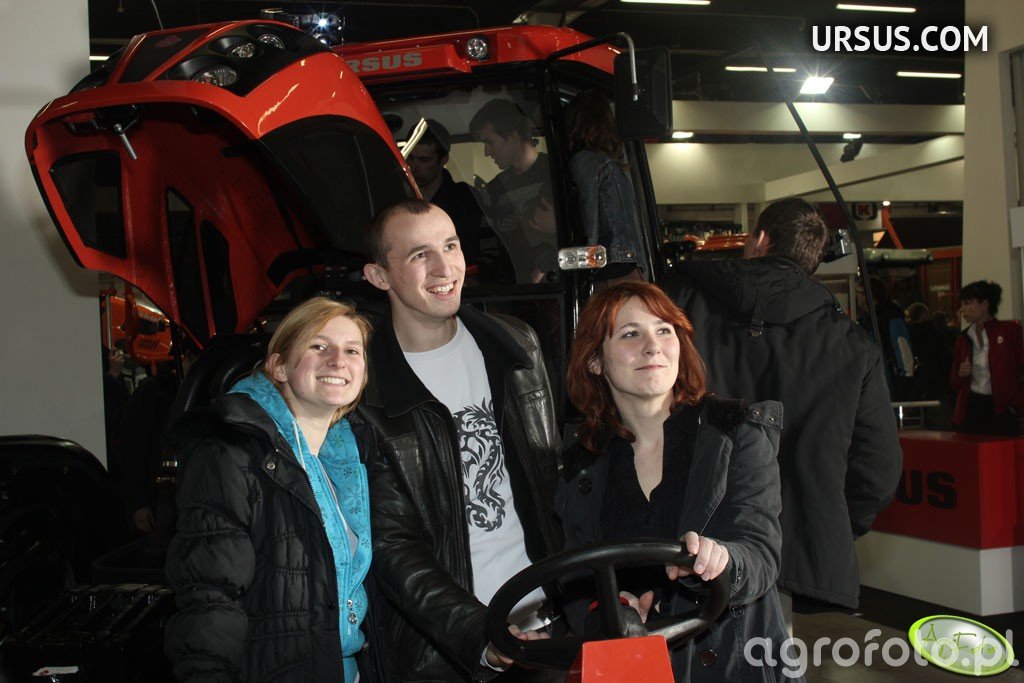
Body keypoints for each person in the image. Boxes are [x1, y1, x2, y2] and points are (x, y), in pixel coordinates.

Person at [359, 199, 563, 681]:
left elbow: (555, 482)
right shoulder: (366, 385)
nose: (444, 267)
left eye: (450, 246)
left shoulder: (516, 344)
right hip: (450, 650)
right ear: (379, 276)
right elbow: (391, 545)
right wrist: (477, 634)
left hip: (552, 623)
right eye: (419, 255)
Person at [672, 197, 902, 614]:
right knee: (770, 652)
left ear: (760, 239)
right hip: (793, 553)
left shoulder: (680, 305)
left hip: (688, 543)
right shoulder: (852, 345)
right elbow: (879, 469)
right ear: (812, 259)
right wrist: (824, 522)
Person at [556, 281, 793, 683]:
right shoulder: (582, 463)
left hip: (734, 663)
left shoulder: (734, 431)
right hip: (632, 670)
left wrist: (721, 561)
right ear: (595, 361)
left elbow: (760, 553)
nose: (653, 347)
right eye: (630, 334)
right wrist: (610, 610)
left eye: (664, 330)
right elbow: (574, 578)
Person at [164, 297, 375, 683]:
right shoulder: (230, 450)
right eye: (318, 346)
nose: (337, 361)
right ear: (278, 366)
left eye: (352, 350)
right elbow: (210, 594)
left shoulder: (350, 457)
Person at [563, 90, 649, 279]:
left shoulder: (586, 162)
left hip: (609, 274)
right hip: (630, 270)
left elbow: (589, 229)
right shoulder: (612, 165)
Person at [470, 99, 556, 283]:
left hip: (554, 282)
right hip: (512, 287)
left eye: (489, 142)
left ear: (512, 134)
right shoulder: (494, 188)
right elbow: (489, 246)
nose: (486, 152)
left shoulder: (556, 175)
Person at [406, 119, 488, 267]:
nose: (414, 166)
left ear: (443, 160)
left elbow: (477, 249)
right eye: (410, 158)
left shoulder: (465, 199)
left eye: (424, 160)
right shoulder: (399, 197)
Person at [950, 280, 1024, 435]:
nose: (962, 309)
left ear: (984, 305)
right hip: (971, 409)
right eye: (962, 304)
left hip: (1003, 410)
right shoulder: (963, 339)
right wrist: (961, 374)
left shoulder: (1010, 331)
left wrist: (1016, 406)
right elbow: (954, 382)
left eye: (967, 303)